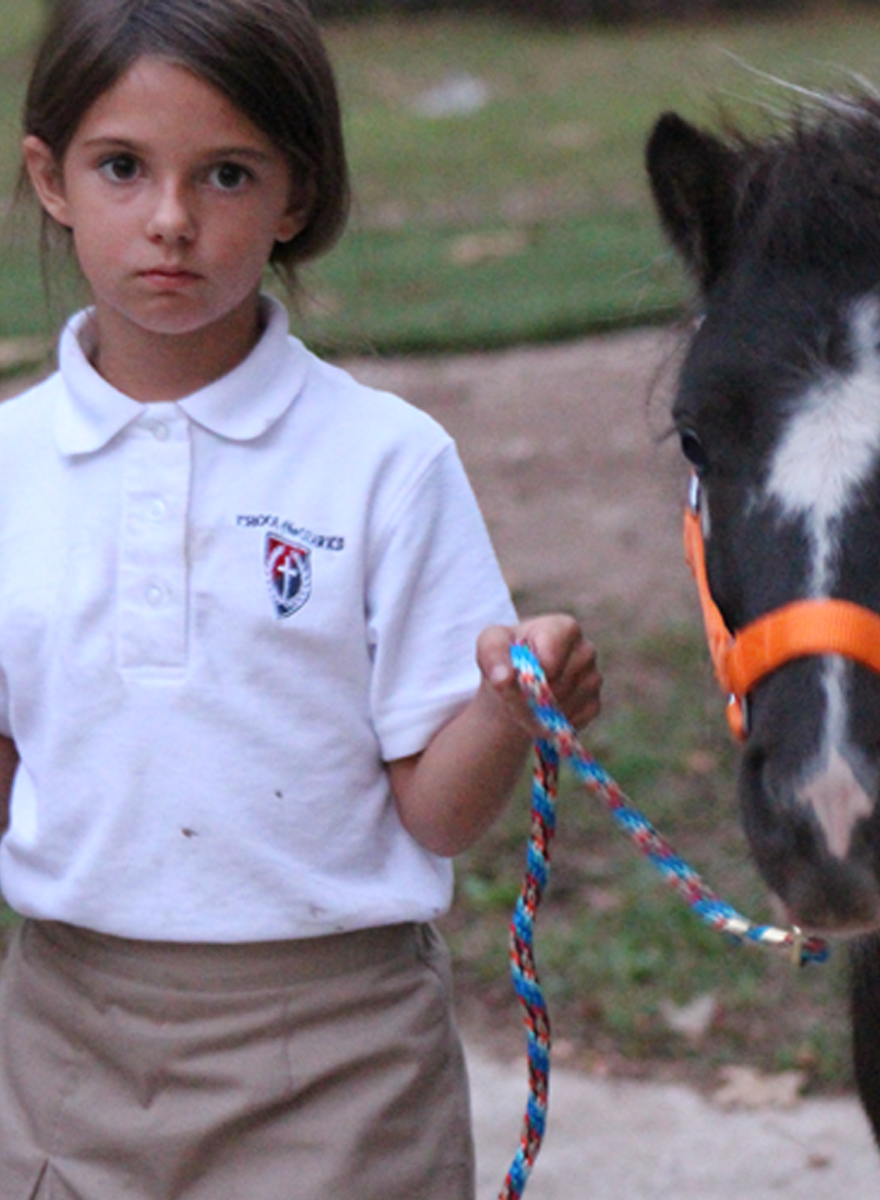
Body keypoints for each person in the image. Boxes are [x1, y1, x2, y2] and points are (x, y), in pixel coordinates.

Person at [0, 1, 601, 1197]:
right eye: (123, 167)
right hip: (64, 1038)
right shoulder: (9, 466)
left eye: (226, 173)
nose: (171, 221)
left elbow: (435, 815)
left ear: (296, 197)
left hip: (339, 1056)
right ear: (50, 178)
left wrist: (510, 706)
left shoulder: (385, 461)